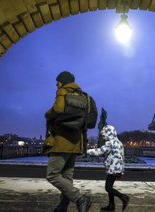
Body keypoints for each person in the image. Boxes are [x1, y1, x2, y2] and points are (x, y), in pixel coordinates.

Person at [44, 71, 98, 212]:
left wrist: (47, 113)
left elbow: (58, 108)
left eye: (58, 81)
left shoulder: (63, 91)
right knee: (67, 178)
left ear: (63, 82)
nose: (56, 84)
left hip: (61, 140)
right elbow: (91, 122)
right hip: (76, 142)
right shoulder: (85, 97)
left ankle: (81, 198)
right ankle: (62, 207)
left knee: (52, 174)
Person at [87, 125, 130, 211]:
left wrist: (88, 151)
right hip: (117, 168)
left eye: (103, 135)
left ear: (108, 134)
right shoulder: (119, 142)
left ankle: (124, 197)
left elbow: (100, 151)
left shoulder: (110, 143)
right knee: (110, 187)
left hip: (113, 168)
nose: (103, 137)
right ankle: (111, 205)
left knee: (108, 188)